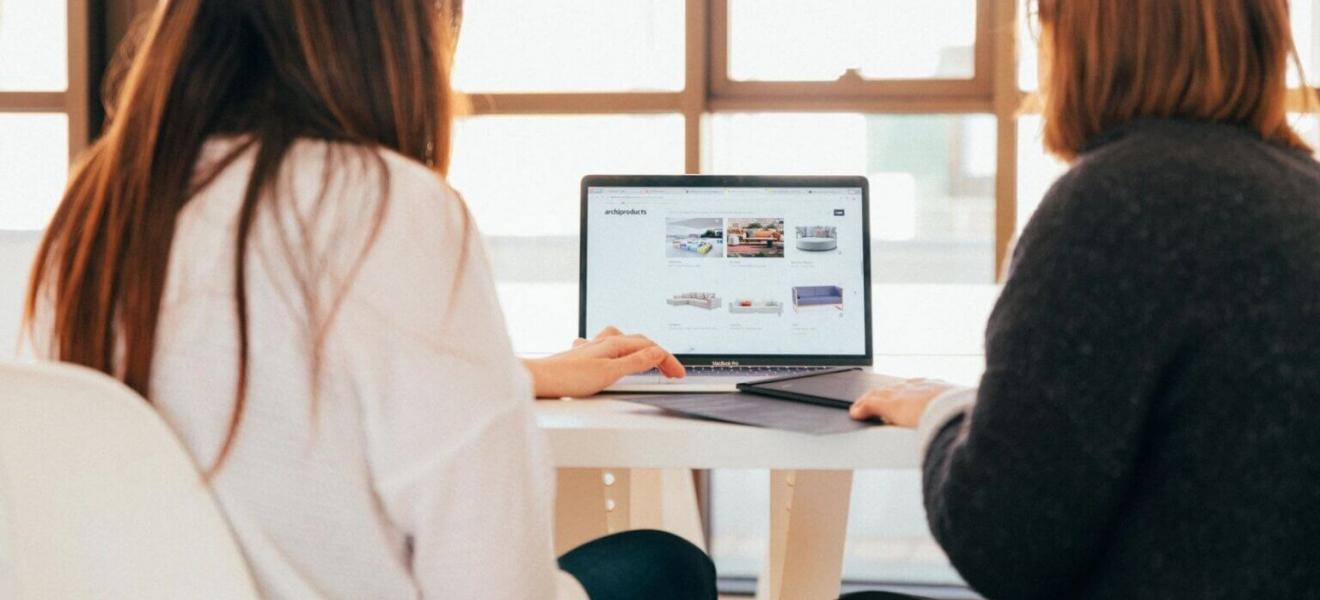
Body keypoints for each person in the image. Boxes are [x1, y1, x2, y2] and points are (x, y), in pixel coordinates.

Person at [22, 1, 710, 599]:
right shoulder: (388, 208)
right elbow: (495, 584)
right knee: (665, 565)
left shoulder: (94, 213)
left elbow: (259, 384)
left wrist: (519, 372)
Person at [844, 0, 1320, 599]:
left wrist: (944, 413)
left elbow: (1001, 539)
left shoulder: (1113, 203)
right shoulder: (1306, 192)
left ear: (1079, 42)